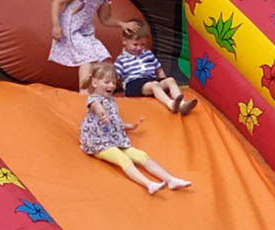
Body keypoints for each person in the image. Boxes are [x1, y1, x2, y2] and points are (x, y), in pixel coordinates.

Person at [79, 62, 192, 195]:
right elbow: (96, 107)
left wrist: (128, 126)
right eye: (107, 82)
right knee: (123, 158)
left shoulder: (112, 100)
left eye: (114, 83)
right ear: (94, 83)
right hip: (98, 142)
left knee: (142, 156)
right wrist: (102, 114)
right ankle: (149, 184)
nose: (111, 86)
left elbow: (114, 121)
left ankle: (171, 179)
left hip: (114, 139)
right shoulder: (94, 99)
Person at [50, 0, 137, 92]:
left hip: (85, 31)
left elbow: (105, 19)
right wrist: (56, 25)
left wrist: (122, 24)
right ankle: (84, 93)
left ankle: (98, 91)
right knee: (87, 57)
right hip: (70, 28)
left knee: (101, 56)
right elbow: (57, 2)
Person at [115, 21, 198, 115]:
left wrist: (164, 81)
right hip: (134, 84)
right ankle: (171, 104)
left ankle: (182, 104)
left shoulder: (148, 54)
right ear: (124, 41)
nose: (139, 48)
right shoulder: (121, 59)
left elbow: (159, 69)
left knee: (170, 80)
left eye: (142, 45)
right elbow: (116, 77)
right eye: (135, 44)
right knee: (154, 85)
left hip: (151, 81)